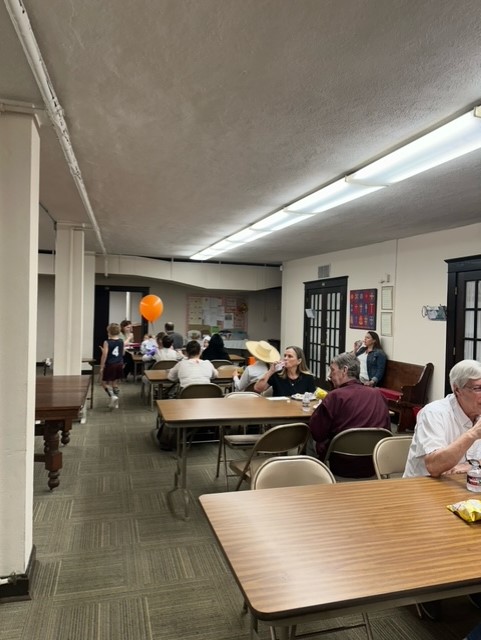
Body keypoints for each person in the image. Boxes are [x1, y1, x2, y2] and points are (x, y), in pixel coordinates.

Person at [403, 359, 481, 620]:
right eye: (478, 388)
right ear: (457, 390)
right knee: (440, 529)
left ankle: (473, 583)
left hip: (464, 489)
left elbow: (465, 465)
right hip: (421, 492)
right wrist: (472, 435)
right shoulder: (434, 413)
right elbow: (435, 466)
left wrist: (464, 464)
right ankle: (428, 588)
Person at [308, 352, 391, 461]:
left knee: (310, 440)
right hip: (374, 459)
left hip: (341, 461)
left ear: (344, 370)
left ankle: (312, 470)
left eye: (332, 370)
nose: (330, 375)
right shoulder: (378, 395)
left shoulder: (335, 396)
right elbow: (387, 429)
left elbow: (317, 432)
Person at [99, 323, 124, 410]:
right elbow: (122, 352)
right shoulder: (121, 341)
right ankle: (116, 403)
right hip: (119, 364)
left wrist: (102, 366)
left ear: (109, 332)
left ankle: (112, 396)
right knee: (115, 383)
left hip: (110, 364)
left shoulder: (107, 342)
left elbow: (105, 355)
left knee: (103, 382)